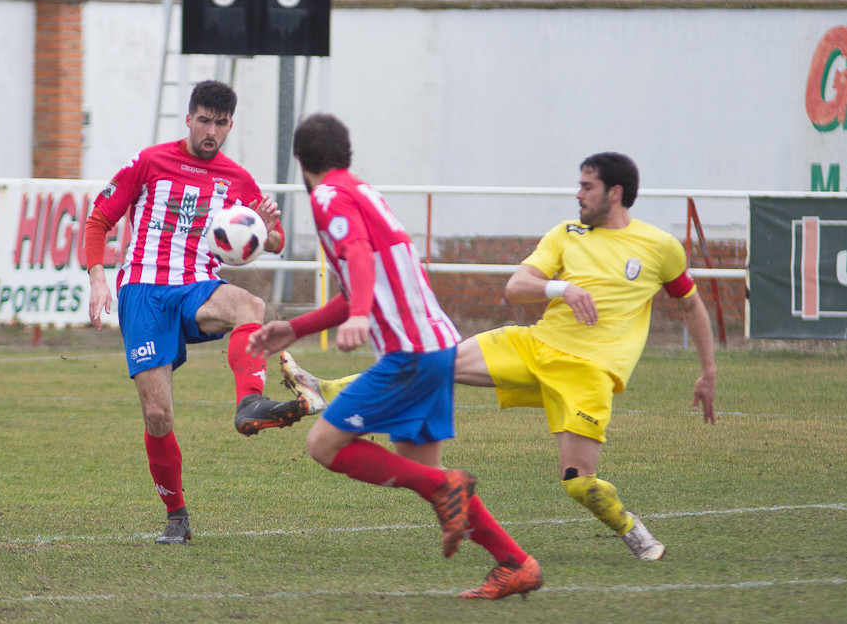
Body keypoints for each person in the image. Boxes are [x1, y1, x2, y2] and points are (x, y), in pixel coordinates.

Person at [281, 150, 718, 562]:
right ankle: (324, 393)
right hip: (531, 346)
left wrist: (708, 372)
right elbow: (516, 287)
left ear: (615, 192)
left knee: (579, 484)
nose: (578, 194)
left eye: (587, 186)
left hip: (590, 373)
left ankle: (632, 530)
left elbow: (691, 305)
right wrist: (560, 287)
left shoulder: (660, 246)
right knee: (435, 360)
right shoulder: (566, 234)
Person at [248, 113, 544, 601]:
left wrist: (360, 315)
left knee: (325, 445)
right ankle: (516, 562)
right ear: (346, 155)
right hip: (437, 346)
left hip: (409, 352)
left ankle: (453, 490)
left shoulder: (328, 197)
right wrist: (295, 327)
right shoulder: (362, 192)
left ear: (300, 161)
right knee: (424, 472)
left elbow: (359, 257)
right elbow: (364, 276)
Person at [85, 79, 303, 546]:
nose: (211, 130)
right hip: (143, 291)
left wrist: (267, 226)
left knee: (251, 305)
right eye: (204, 120)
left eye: (220, 123)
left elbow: (276, 241)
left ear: (229, 125)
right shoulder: (149, 162)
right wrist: (98, 277)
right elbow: (99, 218)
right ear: (188, 118)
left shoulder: (238, 179)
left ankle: (250, 401)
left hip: (194, 286)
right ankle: (177, 515)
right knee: (158, 415)